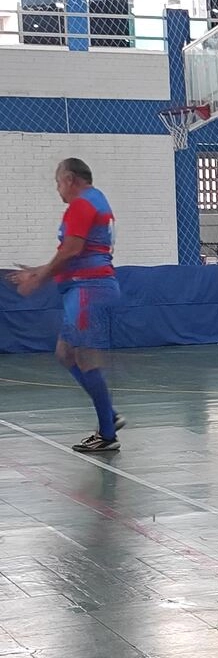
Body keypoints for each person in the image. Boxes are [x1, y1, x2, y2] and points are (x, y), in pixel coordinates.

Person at [10, 158, 125, 453]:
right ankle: (108, 415)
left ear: (71, 179)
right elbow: (75, 252)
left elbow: (72, 250)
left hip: (89, 289)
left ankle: (108, 432)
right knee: (65, 353)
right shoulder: (94, 201)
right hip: (85, 287)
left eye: (58, 182)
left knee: (85, 356)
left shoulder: (82, 204)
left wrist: (38, 279)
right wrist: (38, 271)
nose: (58, 189)